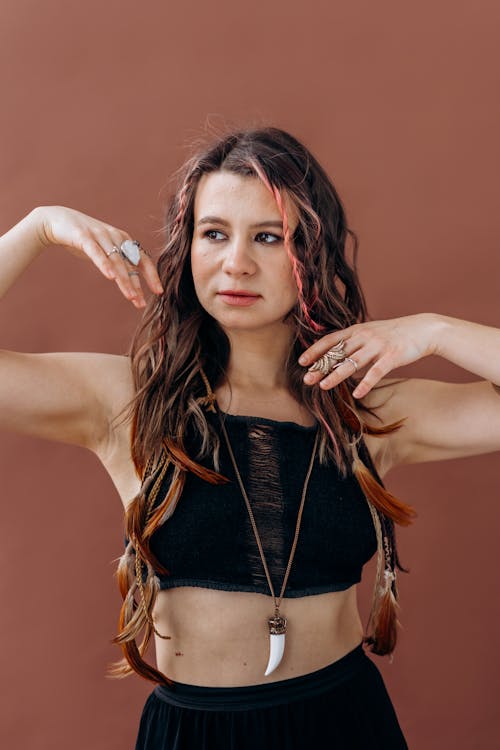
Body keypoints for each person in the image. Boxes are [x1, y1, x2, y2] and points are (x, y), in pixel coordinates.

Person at [1, 126, 499, 749]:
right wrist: (40, 226)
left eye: (268, 237)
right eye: (214, 234)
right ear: (187, 249)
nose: (236, 262)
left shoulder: (364, 408)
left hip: (344, 720)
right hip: (195, 731)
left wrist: (435, 330)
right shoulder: (127, 401)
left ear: (310, 255)